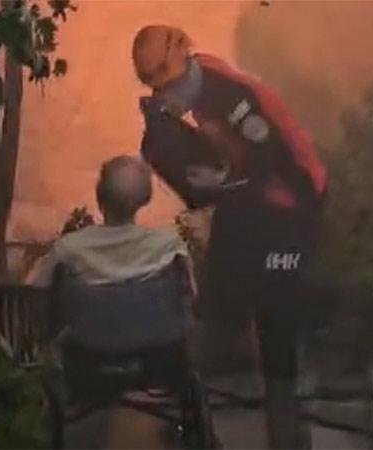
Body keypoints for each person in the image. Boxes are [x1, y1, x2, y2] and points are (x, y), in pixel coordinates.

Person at [133, 25, 327, 448]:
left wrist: (220, 180)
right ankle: (202, 418)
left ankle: (287, 436)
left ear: (186, 64)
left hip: (290, 201)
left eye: (171, 87)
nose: (169, 96)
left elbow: (269, 162)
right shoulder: (199, 85)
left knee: (277, 331)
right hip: (248, 199)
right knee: (216, 301)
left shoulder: (232, 95)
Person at [29, 156, 197, 389]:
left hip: (88, 356)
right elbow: (192, 294)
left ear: (100, 194)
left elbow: (37, 294)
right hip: (158, 355)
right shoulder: (169, 245)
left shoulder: (69, 248)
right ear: (146, 198)